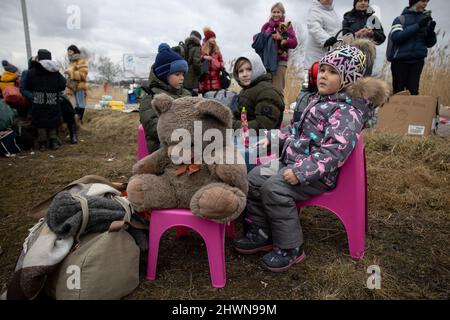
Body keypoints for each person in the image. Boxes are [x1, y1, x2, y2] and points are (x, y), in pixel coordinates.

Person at [233, 46, 390, 272]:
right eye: (322, 69)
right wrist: (272, 138)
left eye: (332, 72)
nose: (323, 75)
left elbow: (334, 151)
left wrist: (301, 172)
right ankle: (262, 231)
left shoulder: (346, 111)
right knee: (255, 178)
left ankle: (291, 248)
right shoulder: (321, 100)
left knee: (274, 189)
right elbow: (298, 130)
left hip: (316, 174)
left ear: (349, 79)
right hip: (293, 160)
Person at [232, 51, 285, 172]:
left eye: (249, 69)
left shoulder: (267, 92)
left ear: (257, 68)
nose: (245, 74)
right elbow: (237, 114)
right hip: (247, 140)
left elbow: (263, 126)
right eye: (241, 71)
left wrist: (233, 125)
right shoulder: (246, 91)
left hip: (264, 145)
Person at [140, 43, 190, 153]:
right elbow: (153, 127)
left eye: (183, 74)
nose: (182, 78)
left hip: (186, 141)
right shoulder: (150, 98)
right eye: (177, 74)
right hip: (162, 147)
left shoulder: (186, 94)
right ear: (164, 75)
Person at [388, 0, 437, 95]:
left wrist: (431, 33)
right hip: (399, 61)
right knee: (399, 92)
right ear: (415, 1)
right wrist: (418, 25)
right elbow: (396, 37)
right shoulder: (400, 19)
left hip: (417, 61)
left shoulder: (426, 19)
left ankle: (412, 110)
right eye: (423, 1)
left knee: (413, 91)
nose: (425, 4)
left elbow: (429, 44)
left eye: (427, 1)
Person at [24, 49, 66, 151]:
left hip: (38, 99)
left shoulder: (32, 71)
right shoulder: (55, 71)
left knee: (39, 120)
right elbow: (62, 85)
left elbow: (27, 85)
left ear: (39, 57)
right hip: (52, 99)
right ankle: (53, 142)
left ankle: (42, 143)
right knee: (52, 119)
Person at [260, 2, 298, 95]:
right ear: (271, 13)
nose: (276, 14)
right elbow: (261, 41)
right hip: (266, 62)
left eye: (278, 12)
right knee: (266, 89)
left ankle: (279, 109)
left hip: (280, 61)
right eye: (274, 12)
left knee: (277, 90)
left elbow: (294, 42)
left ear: (282, 13)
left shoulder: (286, 26)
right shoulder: (266, 26)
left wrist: (281, 38)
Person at [304, 0, 340, 68]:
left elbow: (337, 32)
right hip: (316, 56)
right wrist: (326, 39)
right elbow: (314, 27)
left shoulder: (334, 13)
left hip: (332, 56)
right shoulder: (314, 10)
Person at [65, 45, 88, 121]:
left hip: (80, 85)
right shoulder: (72, 61)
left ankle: (79, 120)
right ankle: (76, 121)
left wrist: (70, 72)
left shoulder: (81, 60)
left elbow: (83, 74)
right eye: (68, 51)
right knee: (76, 104)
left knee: (80, 103)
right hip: (73, 85)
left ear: (75, 51)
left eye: (70, 51)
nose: (69, 53)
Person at [198, 27, 224, 94]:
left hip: (216, 82)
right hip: (205, 82)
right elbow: (198, 59)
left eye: (214, 38)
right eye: (212, 37)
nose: (214, 39)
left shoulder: (217, 50)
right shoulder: (201, 49)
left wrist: (215, 62)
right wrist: (204, 57)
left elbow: (221, 61)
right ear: (207, 39)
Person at [183, 30, 203, 96]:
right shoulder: (196, 47)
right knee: (193, 99)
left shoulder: (185, 45)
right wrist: (200, 72)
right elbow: (196, 62)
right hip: (192, 78)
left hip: (184, 76)